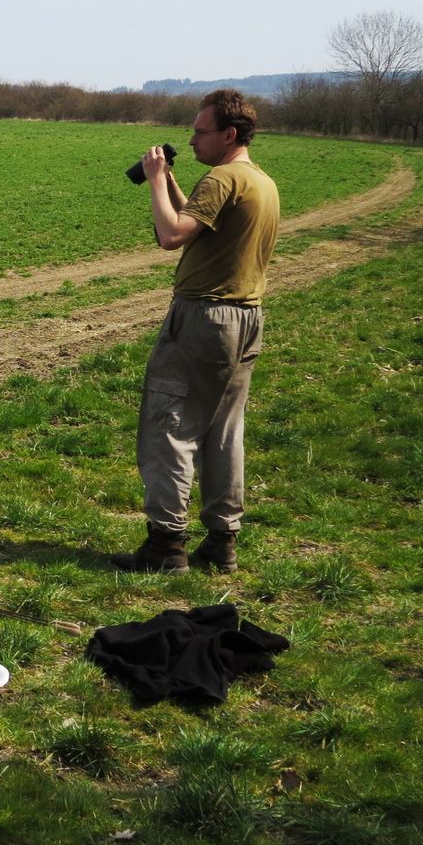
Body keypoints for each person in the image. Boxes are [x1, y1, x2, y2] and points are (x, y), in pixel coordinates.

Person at [112, 89, 279, 574]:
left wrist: (157, 179)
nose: (192, 139)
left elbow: (171, 236)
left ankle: (166, 545)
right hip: (246, 319)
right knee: (223, 430)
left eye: (200, 132)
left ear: (229, 134)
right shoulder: (258, 181)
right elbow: (198, 223)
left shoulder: (223, 177)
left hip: (204, 319)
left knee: (171, 426)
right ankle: (221, 541)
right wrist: (173, 184)